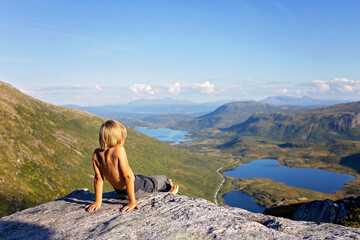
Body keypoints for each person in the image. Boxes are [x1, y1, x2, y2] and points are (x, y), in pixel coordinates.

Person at [85, 119, 179, 213]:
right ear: (119, 139)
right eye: (123, 137)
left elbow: (98, 179)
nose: (123, 140)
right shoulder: (119, 150)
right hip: (135, 188)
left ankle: (162, 188)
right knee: (161, 180)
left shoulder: (96, 154)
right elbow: (128, 177)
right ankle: (169, 192)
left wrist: (97, 201)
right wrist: (132, 201)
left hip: (120, 192)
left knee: (144, 178)